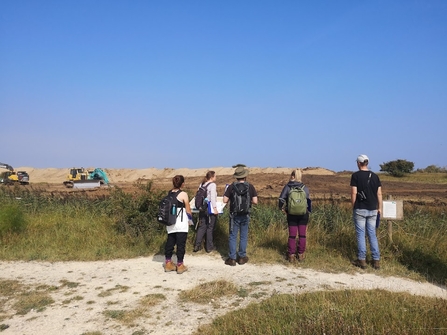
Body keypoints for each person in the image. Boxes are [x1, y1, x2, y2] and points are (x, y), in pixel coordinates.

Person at [350, 154, 383, 270]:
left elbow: (354, 193)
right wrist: (380, 208)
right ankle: (376, 260)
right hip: (373, 209)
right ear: (367, 163)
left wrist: (354, 206)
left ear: (359, 163)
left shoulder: (355, 176)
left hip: (360, 208)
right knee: (372, 234)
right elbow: (379, 193)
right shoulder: (375, 176)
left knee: (360, 234)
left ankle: (362, 260)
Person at [223, 165, 258, 266]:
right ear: (245, 176)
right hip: (245, 214)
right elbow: (255, 201)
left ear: (236, 177)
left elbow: (225, 200)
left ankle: (232, 259)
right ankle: (242, 257)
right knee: (243, 236)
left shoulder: (231, 186)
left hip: (234, 215)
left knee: (233, 236)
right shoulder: (250, 186)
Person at [278, 169, 311, 262]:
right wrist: (308, 211)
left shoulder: (288, 187)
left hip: (291, 214)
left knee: (292, 235)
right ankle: (300, 254)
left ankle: (291, 255)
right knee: (302, 235)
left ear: (292, 176)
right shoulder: (305, 187)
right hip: (303, 214)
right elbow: (308, 201)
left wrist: (281, 208)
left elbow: (281, 199)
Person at [164, 175, 194, 274]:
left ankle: (168, 263)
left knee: (170, 243)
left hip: (170, 222)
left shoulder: (169, 193)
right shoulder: (183, 194)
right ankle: (180, 265)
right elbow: (188, 210)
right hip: (181, 223)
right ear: (182, 184)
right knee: (181, 245)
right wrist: (190, 220)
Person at [194, 171, 218, 253]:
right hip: (209, 208)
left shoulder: (202, 184)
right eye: (215, 176)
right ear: (212, 177)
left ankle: (197, 245)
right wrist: (215, 208)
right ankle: (209, 247)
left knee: (201, 227)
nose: (216, 178)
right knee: (210, 227)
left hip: (202, 208)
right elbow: (212, 198)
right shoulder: (212, 185)